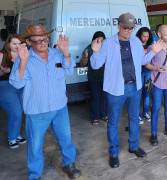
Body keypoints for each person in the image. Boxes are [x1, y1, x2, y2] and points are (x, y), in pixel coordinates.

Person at [90, 13, 163, 168]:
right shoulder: (108, 43)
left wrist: (153, 52)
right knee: (114, 121)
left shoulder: (136, 41)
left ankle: (134, 146)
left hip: (134, 87)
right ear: (118, 26)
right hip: (116, 89)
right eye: (126, 27)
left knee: (134, 118)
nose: (129, 31)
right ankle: (114, 153)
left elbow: (142, 61)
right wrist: (95, 52)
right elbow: (96, 65)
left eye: (131, 28)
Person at [9, 24, 81, 179]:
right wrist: (22, 61)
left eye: (45, 39)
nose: (42, 43)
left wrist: (66, 52)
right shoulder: (24, 58)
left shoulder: (57, 54)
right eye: (37, 41)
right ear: (29, 42)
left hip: (60, 107)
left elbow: (69, 70)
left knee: (65, 138)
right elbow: (16, 83)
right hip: (37, 111)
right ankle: (35, 175)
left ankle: (69, 163)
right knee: (35, 146)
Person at [0, 34, 27, 149]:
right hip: (6, 86)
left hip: (21, 87)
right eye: (14, 43)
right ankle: (12, 138)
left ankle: (16, 135)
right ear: (8, 44)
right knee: (15, 113)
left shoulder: (24, 55)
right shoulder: (2, 55)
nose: (17, 46)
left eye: (20, 43)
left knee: (19, 112)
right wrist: (3, 72)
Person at [80, 31, 108, 126]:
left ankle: (104, 114)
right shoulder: (89, 49)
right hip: (94, 78)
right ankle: (95, 117)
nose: (100, 43)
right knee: (96, 97)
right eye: (98, 40)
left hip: (105, 78)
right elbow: (82, 64)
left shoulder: (106, 49)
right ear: (93, 41)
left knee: (104, 97)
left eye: (102, 41)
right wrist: (85, 56)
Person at [136, 27, 153, 123]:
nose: (146, 38)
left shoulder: (150, 46)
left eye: (147, 36)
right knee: (138, 94)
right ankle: (137, 115)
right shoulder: (136, 45)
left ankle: (145, 112)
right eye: (144, 36)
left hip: (148, 71)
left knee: (147, 92)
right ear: (139, 36)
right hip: (138, 72)